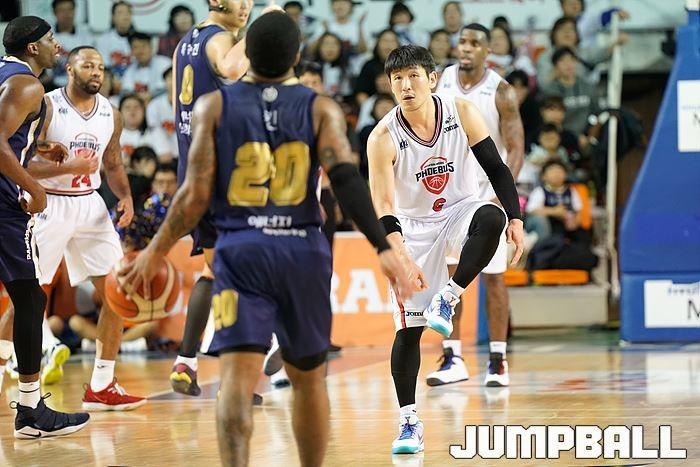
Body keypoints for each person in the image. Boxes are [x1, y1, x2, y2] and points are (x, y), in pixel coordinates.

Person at [119, 11, 413, 466]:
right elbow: (345, 179)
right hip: (302, 250)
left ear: (246, 55)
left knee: (236, 380)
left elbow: (193, 195)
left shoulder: (214, 107)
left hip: (240, 252)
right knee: (309, 380)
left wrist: (154, 251)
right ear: (297, 55)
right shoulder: (320, 107)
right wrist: (382, 245)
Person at [367, 44, 524, 454]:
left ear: (432, 79)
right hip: (413, 230)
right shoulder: (382, 137)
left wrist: (517, 218)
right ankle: (408, 423)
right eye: (398, 79)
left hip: (458, 211)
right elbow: (383, 205)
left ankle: (449, 296)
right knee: (408, 330)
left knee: (492, 217)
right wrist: (399, 253)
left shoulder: (461, 111)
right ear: (390, 85)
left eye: (413, 76)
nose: (406, 86)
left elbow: (497, 168)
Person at [169, 0, 281, 398]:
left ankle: (186, 362)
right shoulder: (218, 39)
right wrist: (263, 26)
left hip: (192, 169)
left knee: (215, 269)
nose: (246, 5)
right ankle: (249, 365)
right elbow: (232, 68)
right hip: (221, 176)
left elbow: (178, 108)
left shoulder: (185, 42)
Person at [25, 46, 144, 411]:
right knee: (26, 298)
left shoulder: (110, 113)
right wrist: (68, 167)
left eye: (101, 67)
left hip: (91, 204)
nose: (96, 71)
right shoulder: (45, 105)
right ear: (70, 69)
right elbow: (21, 163)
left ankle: (102, 385)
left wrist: (125, 197)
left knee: (117, 292)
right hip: (49, 203)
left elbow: (113, 163)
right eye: (88, 65)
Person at [0, 15, 89, 438]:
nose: (58, 45)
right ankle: (31, 409)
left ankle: (30, 407)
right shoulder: (27, 85)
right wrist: (35, 187)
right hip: (4, 205)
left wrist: (36, 146)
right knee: (30, 297)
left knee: (28, 296)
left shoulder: (7, 77)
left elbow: (10, 137)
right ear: (33, 47)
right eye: (51, 39)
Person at [432, 23, 525, 387]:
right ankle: (452, 357)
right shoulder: (440, 82)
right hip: (451, 195)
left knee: (494, 278)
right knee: (450, 277)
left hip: (488, 196)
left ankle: (498, 360)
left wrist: (502, 195)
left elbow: (515, 148)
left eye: (474, 43)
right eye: (462, 42)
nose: (466, 48)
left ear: (488, 51)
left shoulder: (501, 91)